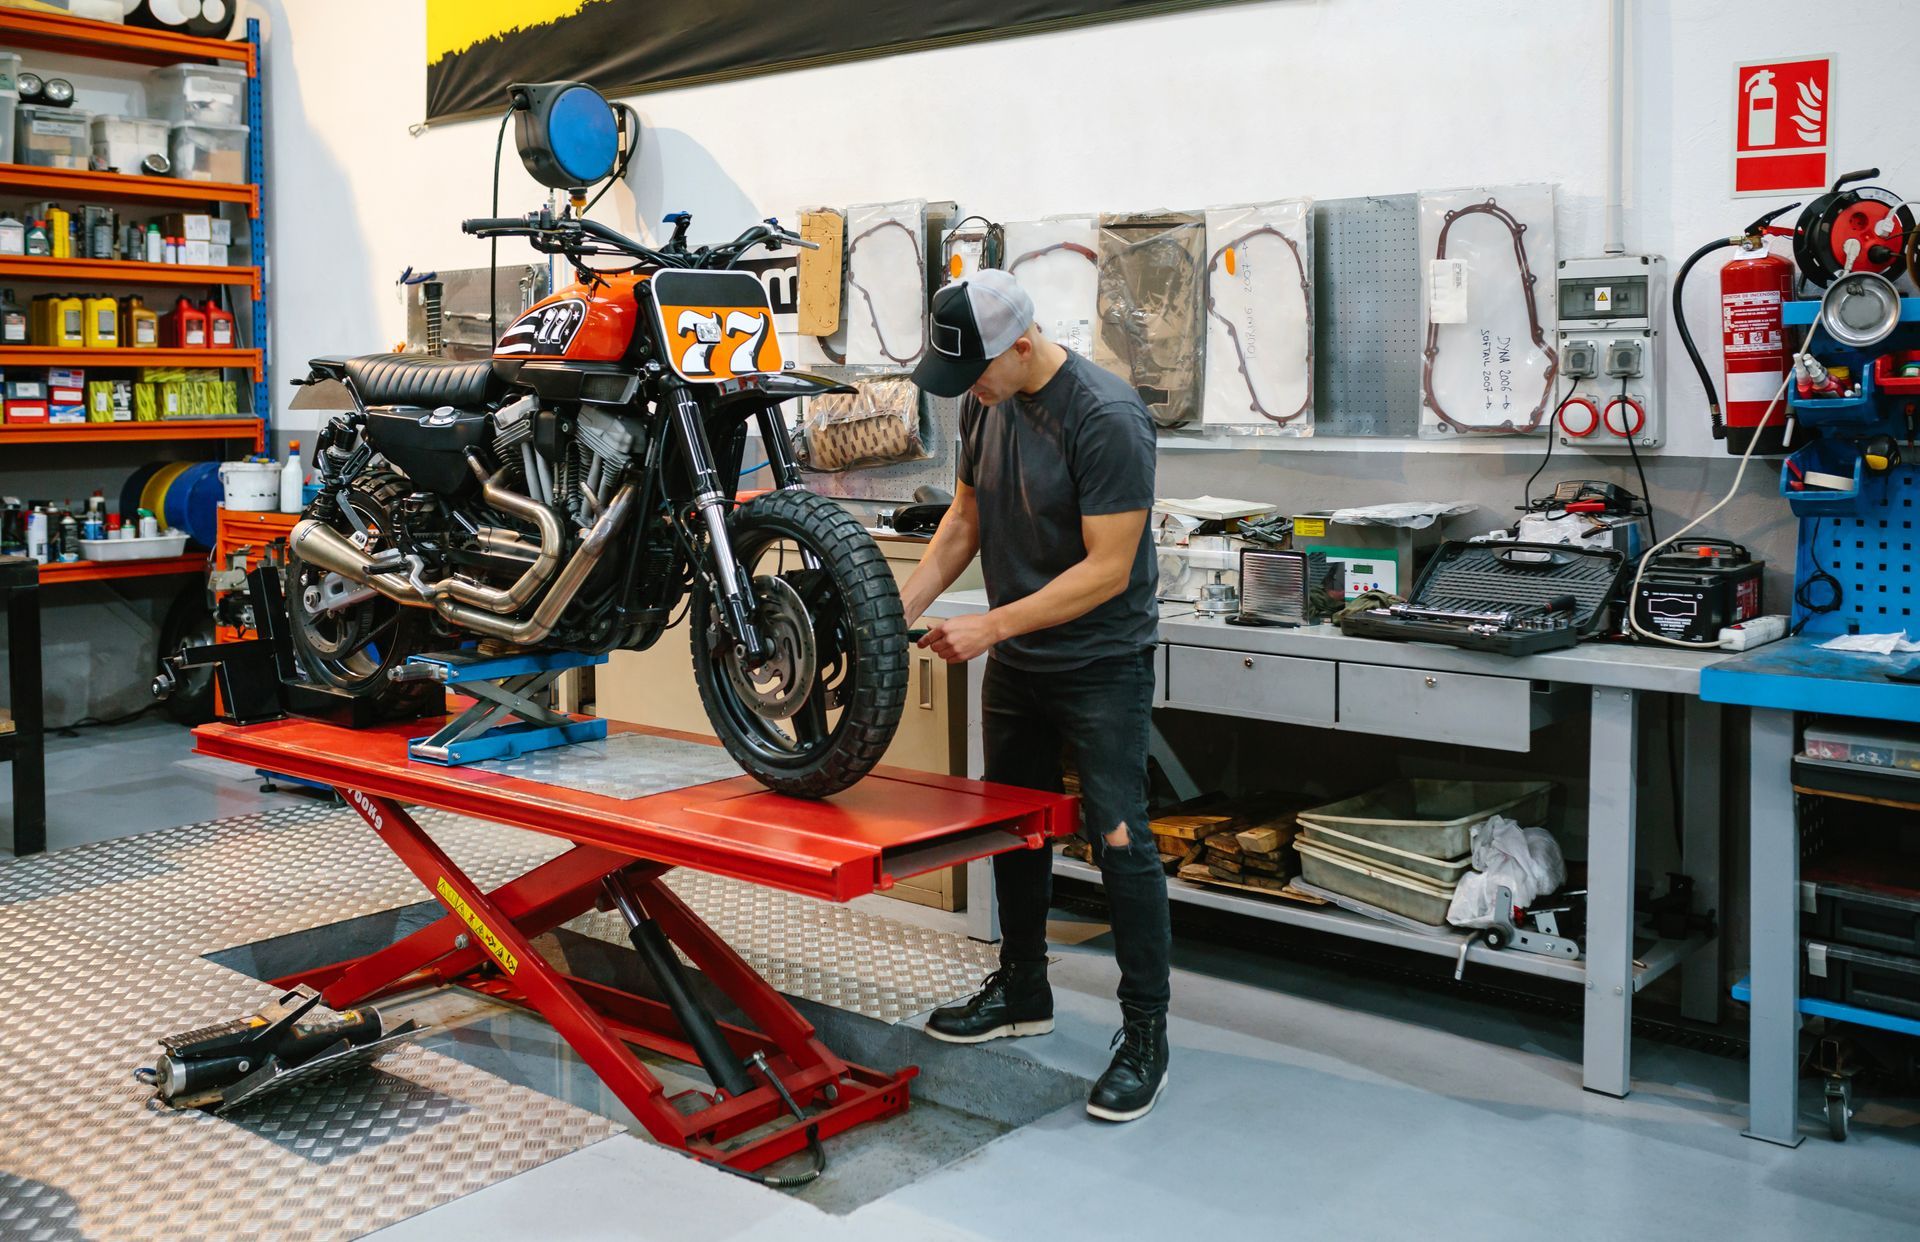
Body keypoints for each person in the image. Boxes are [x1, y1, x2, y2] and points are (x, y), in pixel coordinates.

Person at [899, 268, 1170, 1122]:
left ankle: (1146, 1035)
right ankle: (1022, 991)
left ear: (1022, 344)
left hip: (1099, 663)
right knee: (1014, 826)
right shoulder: (985, 401)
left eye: (976, 371)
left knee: (1120, 839)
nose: (967, 392)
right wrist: (889, 611)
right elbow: (965, 524)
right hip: (1020, 660)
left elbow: (1107, 569)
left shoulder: (1108, 416)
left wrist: (989, 627)